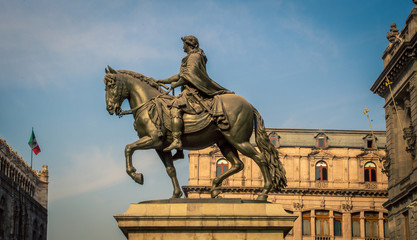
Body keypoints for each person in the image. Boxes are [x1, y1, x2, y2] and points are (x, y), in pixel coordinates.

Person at [157, 35, 232, 152]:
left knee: (175, 106)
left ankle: (177, 140)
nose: (182, 47)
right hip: (189, 91)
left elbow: (189, 75)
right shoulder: (193, 57)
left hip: (192, 92)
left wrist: (175, 84)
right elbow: (180, 75)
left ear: (188, 45)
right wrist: (163, 80)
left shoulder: (193, 57)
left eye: (184, 45)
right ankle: (179, 151)